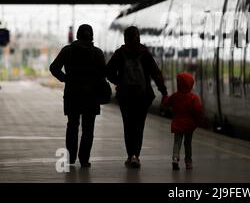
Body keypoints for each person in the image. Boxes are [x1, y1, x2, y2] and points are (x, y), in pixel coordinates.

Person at [106, 26, 168, 169]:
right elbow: (156, 74)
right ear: (138, 37)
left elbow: (108, 72)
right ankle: (136, 156)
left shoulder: (120, 53)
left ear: (125, 38)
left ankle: (130, 156)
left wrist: (119, 82)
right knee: (139, 126)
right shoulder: (145, 53)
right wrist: (163, 92)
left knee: (128, 126)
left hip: (125, 96)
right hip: (143, 96)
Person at [49, 24, 106, 168]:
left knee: (72, 126)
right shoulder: (97, 53)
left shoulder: (67, 51)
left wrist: (66, 79)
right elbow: (102, 75)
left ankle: (71, 157)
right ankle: (84, 159)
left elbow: (53, 68)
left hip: (72, 95)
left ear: (77, 36)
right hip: (91, 97)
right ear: (92, 36)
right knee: (88, 129)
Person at [162, 72, 204, 170]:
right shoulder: (194, 98)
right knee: (188, 143)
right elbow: (198, 110)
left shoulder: (175, 96)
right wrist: (200, 120)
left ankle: (175, 159)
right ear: (190, 84)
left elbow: (167, 103)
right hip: (189, 126)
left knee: (177, 142)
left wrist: (164, 97)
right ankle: (188, 162)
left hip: (178, 124)